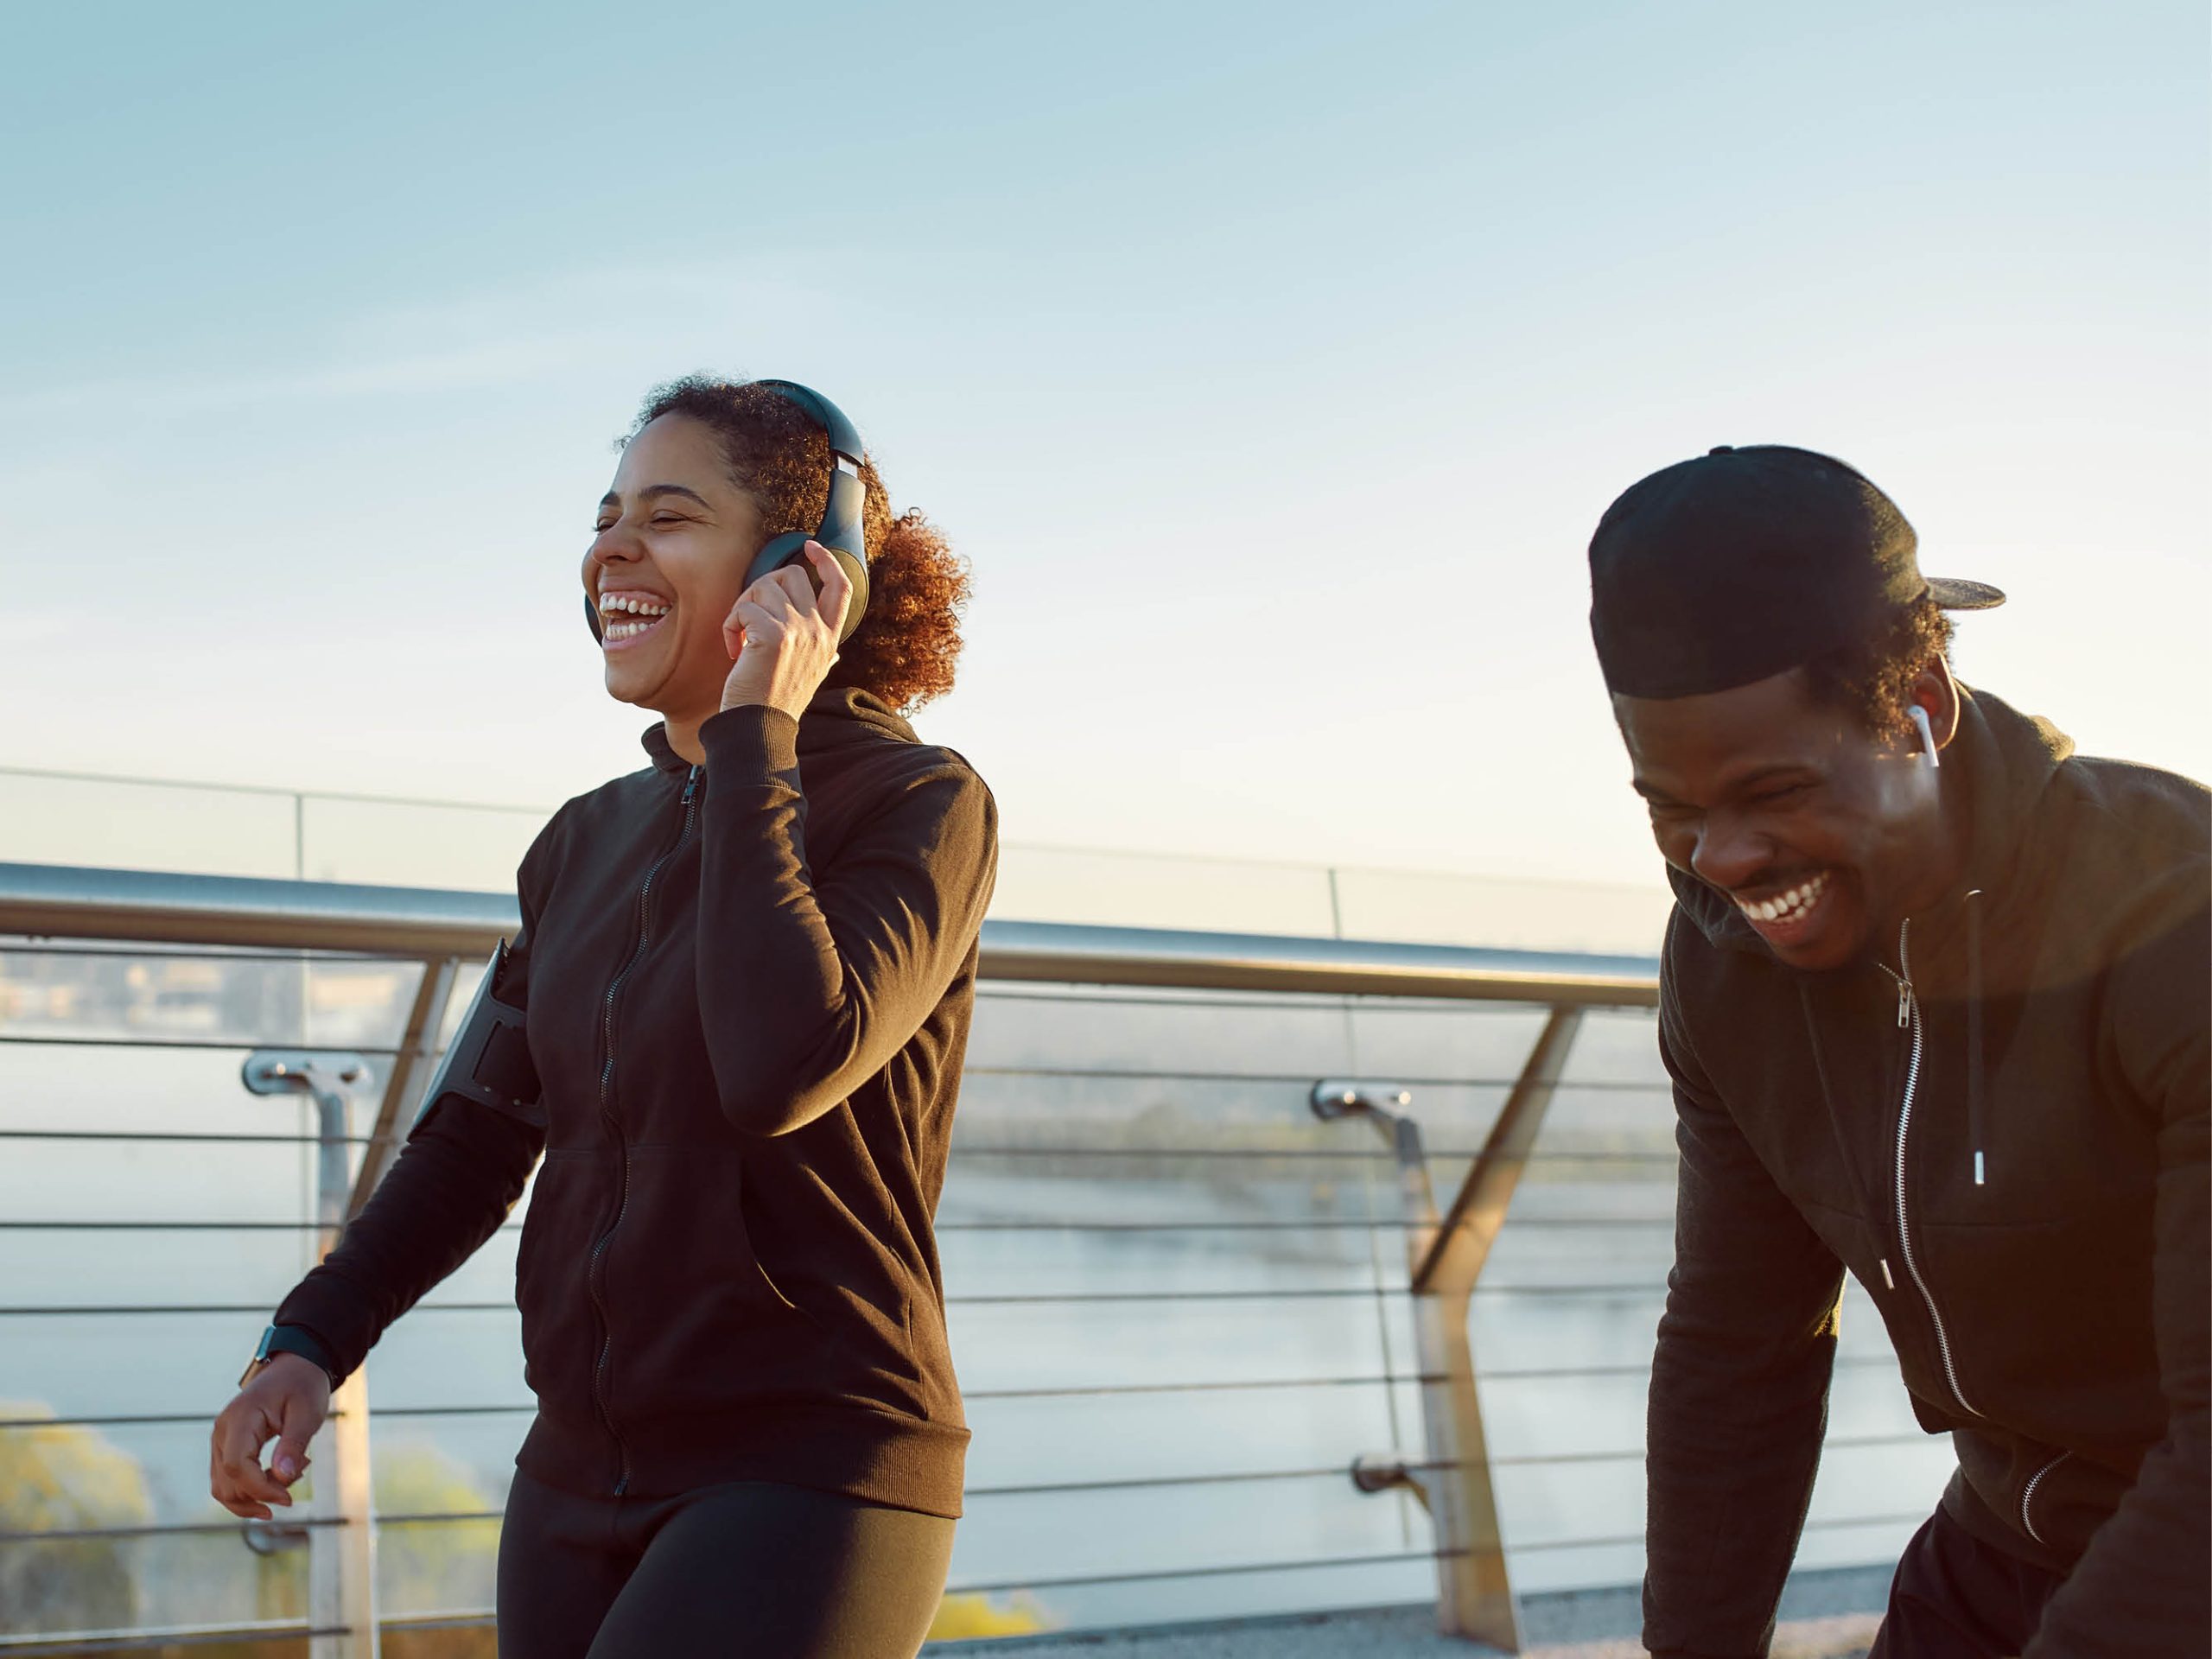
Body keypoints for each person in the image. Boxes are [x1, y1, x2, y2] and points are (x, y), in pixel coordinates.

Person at [208, 377, 998, 1659]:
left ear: (808, 569)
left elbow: (781, 1062)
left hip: (806, 1478)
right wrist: (308, 1339)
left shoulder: (920, 802)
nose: (611, 550)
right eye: (607, 515)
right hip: (573, 1475)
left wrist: (758, 724)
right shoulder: (581, 842)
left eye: (669, 517)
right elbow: (476, 1133)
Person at [1586, 446, 2208, 1658]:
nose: (1720, 859)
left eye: (1772, 791)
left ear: (1922, 708)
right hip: (1999, 1549)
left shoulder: (2171, 914)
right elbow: (1738, 1349)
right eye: (1673, 807)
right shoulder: (1724, 963)